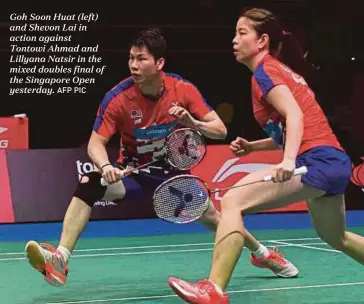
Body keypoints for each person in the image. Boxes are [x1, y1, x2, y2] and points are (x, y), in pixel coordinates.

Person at [24, 27, 298, 287]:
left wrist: (192, 121)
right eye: (131, 58)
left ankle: (262, 254)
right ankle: (60, 259)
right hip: (133, 174)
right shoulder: (118, 98)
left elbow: (219, 130)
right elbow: (96, 143)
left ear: (159, 63)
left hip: (174, 178)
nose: (133, 65)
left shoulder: (182, 89)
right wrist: (106, 165)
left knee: (218, 219)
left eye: (141, 59)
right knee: (90, 182)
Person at [168, 8, 363, 304]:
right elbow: (291, 125)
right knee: (336, 237)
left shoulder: (266, 71)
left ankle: (214, 289)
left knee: (233, 199)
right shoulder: (281, 72)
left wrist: (287, 160)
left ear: (262, 41)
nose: (234, 39)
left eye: (242, 33)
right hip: (333, 160)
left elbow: (294, 115)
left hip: (316, 160)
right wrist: (253, 148)